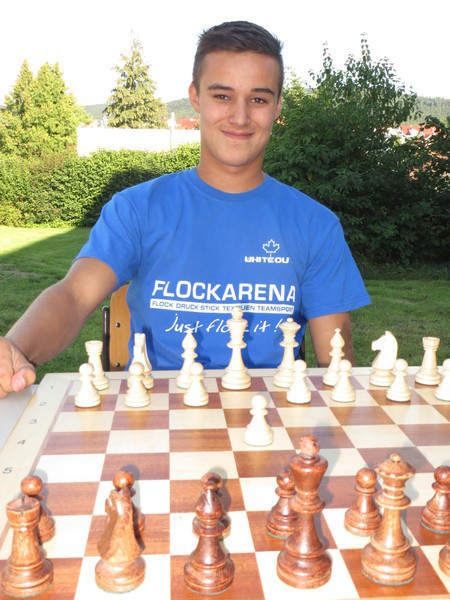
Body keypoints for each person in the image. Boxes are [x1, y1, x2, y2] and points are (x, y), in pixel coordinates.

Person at [0, 21, 370, 398]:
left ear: (277, 107)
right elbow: (74, 296)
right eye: (222, 96)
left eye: (258, 99)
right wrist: (15, 348)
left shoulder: (315, 225)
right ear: (195, 97)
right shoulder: (136, 210)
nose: (240, 117)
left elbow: (337, 364)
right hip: (155, 419)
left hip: (269, 421)